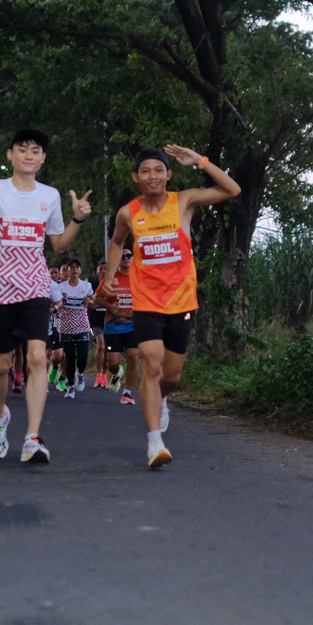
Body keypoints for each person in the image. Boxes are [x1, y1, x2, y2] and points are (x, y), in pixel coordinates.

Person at [0, 128, 93, 464]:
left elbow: (59, 244)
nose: (29, 155)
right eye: (22, 149)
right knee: (0, 364)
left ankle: (32, 437)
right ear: (10, 155)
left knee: (37, 357)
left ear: (42, 159)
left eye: (35, 150)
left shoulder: (49, 196)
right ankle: (0, 418)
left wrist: (77, 218)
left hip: (34, 286)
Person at [103, 145, 240, 469]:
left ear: (168, 175)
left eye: (158, 170)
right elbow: (117, 242)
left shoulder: (184, 201)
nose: (152, 176)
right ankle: (155, 444)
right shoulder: (128, 213)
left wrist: (201, 161)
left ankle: (162, 398)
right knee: (152, 364)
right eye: (145, 171)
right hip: (146, 301)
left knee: (173, 376)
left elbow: (232, 189)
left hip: (180, 301)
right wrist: (109, 275)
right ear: (136, 178)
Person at [98, 249, 139, 403]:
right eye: (122, 256)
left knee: (133, 357)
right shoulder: (111, 278)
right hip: (113, 327)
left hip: (134, 326)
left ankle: (127, 393)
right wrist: (109, 305)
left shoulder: (139, 277)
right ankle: (117, 373)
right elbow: (97, 297)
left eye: (129, 256)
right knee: (113, 363)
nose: (126, 258)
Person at [52, 259, 96, 399]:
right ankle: (70, 387)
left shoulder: (86, 286)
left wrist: (89, 301)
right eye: (72, 267)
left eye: (77, 267)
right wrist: (60, 300)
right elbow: (55, 303)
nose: (75, 269)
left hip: (82, 325)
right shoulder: (61, 287)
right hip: (66, 327)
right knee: (70, 359)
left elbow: (94, 303)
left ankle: (80, 374)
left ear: (80, 271)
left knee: (82, 358)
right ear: (68, 271)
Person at [90, 261, 109, 387]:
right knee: (101, 346)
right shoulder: (92, 286)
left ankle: (105, 377)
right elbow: (89, 301)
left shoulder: (114, 286)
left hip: (110, 321)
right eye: (100, 269)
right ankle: (99, 375)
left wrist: (100, 304)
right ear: (97, 272)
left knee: (107, 349)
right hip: (96, 321)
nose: (103, 271)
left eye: (105, 269)